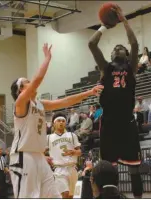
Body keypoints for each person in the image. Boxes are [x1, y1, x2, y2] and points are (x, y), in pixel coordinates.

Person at [8, 43, 103, 198]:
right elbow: (38, 79)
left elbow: (65, 101)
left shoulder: (40, 104)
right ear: (20, 90)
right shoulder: (20, 103)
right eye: (26, 81)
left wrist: (89, 92)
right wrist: (47, 58)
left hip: (38, 157)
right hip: (23, 156)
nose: (30, 81)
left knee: (54, 196)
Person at [88, 5, 142, 198]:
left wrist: (123, 19)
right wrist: (104, 26)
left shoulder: (131, 67)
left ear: (126, 55)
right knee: (108, 171)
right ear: (111, 56)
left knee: (135, 170)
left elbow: (134, 44)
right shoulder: (106, 68)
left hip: (127, 123)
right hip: (109, 123)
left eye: (122, 48)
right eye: (115, 48)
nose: (118, 48)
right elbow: (91, 44)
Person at [47, 113, 81, 198]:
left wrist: (74, 152)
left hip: (72, 168)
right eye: (59, 121)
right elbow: (41, 152)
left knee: (71, 196)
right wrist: (45, 158)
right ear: (54, 123)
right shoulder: (48, 138)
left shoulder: (72, 135)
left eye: (63, 121)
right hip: (59, 169)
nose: (61, 122)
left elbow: (80, 152)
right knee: (64, 194)